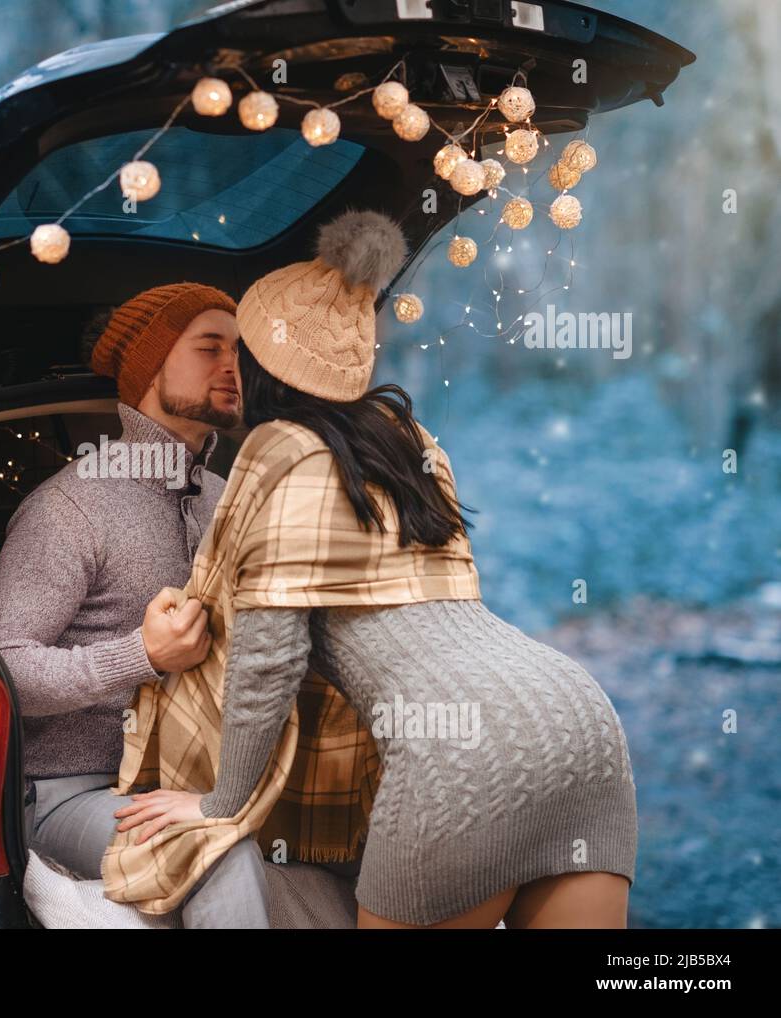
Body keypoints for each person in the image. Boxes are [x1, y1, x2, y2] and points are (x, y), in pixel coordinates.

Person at [113, 208, 639, 929]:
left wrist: (220, 803)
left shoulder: (278, 449)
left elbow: (269, 659)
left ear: (264, 367)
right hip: (575, 713)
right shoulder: (410, 438)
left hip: (461, 750)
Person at [0, 282, 275, 927]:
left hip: (198, 777)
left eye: (240, 351)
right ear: (149, 367)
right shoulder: (68, 508)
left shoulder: (229, 498)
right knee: (214, 852)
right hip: (71, 791)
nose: (233, 367)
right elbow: (4, 671)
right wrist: (142, 655)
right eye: (208, 348)